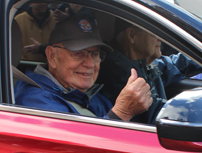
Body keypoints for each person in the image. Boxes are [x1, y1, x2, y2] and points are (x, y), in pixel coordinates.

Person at [14, 14, 152, 122]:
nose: (90, 64)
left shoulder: (90, 96)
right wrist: (121, 113)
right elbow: (77, 152)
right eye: (78, 54)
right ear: (52, 56)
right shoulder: (35, 102)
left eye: (95, 54)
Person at [97, 18, 202, 124]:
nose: (160, 38)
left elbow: (176, 64)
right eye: (154, 32)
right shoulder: (120, 74)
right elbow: (162, 115)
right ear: (132, 35)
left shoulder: (139, 63)